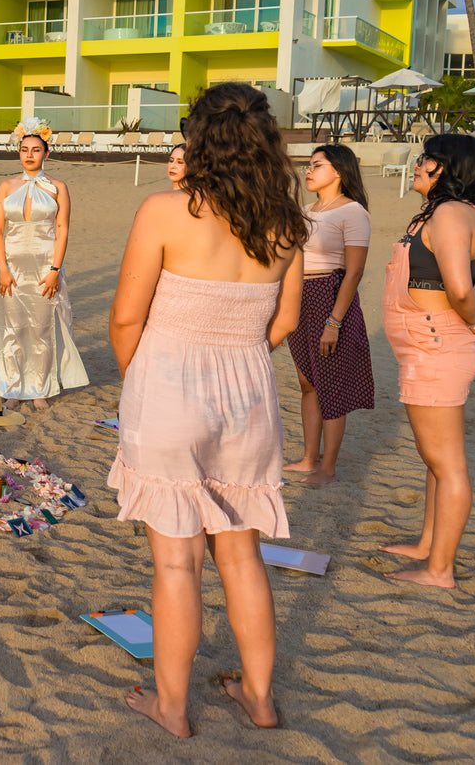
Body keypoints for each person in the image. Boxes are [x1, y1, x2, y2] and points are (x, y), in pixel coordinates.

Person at [108, 83, 306, 737]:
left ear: (199, 140)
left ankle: (172, 706)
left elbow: (124, 318)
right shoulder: (283, 224)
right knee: (241, 554)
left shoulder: (165, 211)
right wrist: (236, 353)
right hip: (247, 394)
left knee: (175, 560)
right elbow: (285, 322)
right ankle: (258, 696)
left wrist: (139, 382)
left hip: (168, 383)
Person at [378, 133, 475, 589]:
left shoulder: (451, 214)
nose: (417, 163)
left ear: (447, 168)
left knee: (447, 463)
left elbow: (461, 290)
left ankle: (440, 569)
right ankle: (428, 545)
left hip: (435, 345)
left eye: (426, 158)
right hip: (426, 344)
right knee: (434, 459)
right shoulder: (443, 212)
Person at [283, 144, 375, 486]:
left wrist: (334, 322)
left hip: (330, 295)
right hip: (300, 295)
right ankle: (309, 457)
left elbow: (353, 272)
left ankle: (328, 467)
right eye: (308, 165)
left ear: (337, 171)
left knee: (330, 384)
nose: (308, 170)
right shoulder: (306, 210)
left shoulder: (353, 212)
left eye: (316, 165)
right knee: (307, 382)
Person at [0, 117, 88, 410]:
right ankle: (13, 387)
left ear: (47, 153)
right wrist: (3, 269)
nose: (29, 155)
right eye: (24, 149)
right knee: (12, 328)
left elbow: (63, 229)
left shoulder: (58, 187)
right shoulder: (6, 186)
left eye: (35, 149)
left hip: (46, 265)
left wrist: (55, 270)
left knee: (43, 329)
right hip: (12, 267)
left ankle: (39, 388)